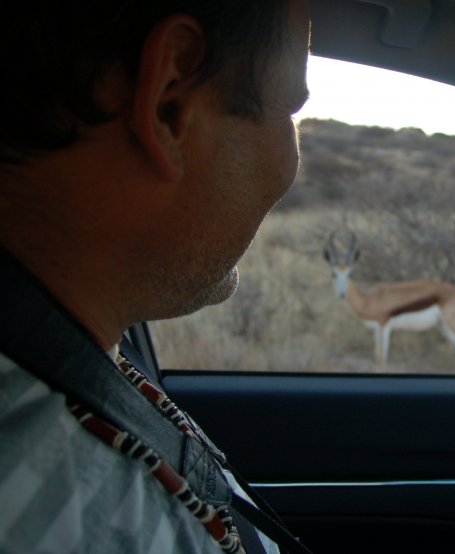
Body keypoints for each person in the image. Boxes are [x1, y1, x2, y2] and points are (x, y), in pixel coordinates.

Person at [0, 1, 310, 552]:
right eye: (288, 110)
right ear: (170, 101)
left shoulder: (80, 352)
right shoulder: (75, 515)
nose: (292, 168)